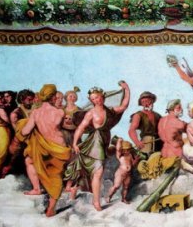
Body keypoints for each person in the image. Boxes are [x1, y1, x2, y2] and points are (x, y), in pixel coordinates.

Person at [66, 82, 130, 212]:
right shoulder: (91, 113)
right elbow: (81, 128)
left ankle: (75, 189)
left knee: (91, 171)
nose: (96, 100)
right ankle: (96, 202)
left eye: (98, 97)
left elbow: (124, 106)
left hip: (103, 141)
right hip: (94, 142)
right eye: (93, 99)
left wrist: (127, 89)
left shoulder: (110, 111)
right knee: (98, 172)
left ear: (103, 97)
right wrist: (75, 143)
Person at [17, 86, 72, 217]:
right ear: (53, 97)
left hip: (43, 148)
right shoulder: (60, 112)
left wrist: (21, 125)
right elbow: (65, 126)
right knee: (55, 175)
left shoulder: (35, 112)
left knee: (30, 161)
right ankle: (51, 208)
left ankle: (37, 189)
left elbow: (25, 131)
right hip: (59, 147)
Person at [127, 91, 161, 159]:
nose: (145, 104)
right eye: (143, 102)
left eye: (147, 101)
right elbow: (132, 130)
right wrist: (137, 142)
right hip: (146, 143)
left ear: (152, 101)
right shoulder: (138, 115)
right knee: (145, 161)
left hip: (159, 143)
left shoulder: (158, 116)